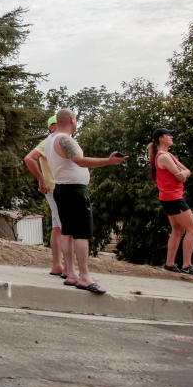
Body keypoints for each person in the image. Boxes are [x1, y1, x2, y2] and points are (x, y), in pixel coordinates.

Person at [44, 108, 127, 295]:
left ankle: (71, 273)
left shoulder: (50, 139)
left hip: (61, 188)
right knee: (81, 234)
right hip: (74, 190)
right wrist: (109, 160)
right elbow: (80, 161)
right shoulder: (65, 139)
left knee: (67, 232)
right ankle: (84, 276)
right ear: (72, 120)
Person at [149, 128, 193, 276]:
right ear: (161, 138)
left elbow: (186, 171)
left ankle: (170, 263)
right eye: (169, 135)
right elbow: (181, 176)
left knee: (178, 230)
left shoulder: (168, 155)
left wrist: (183, 173)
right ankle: (187, 265)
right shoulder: (163, 157)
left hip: (169, 198)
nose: (172, 137)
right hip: (174, 198)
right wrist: (183, 174)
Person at [24, 114, 69, 277]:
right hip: (56, 188)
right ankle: (66, 267)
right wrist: (41, 180)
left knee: (58, 226)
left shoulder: (58, 142)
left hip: (55, 188)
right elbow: (29, 158)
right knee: (65, 226)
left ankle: (58, 265)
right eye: (59, 124)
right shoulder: (48, 142)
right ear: (51, 127)